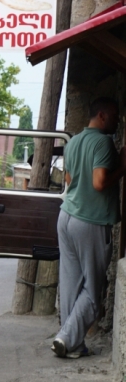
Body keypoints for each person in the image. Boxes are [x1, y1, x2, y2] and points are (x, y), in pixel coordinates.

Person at [52, 97, 126, 359]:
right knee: (93, 290)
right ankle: (65, 338)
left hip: (67, 216)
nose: (118, 121)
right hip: (91, 221)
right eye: (116, 116)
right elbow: (99, 182)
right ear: (103, 116)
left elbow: (70, 179)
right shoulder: (103, 142)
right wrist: (123, 168)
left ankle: (73, 344)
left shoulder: (73, 142)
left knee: (72, 283)